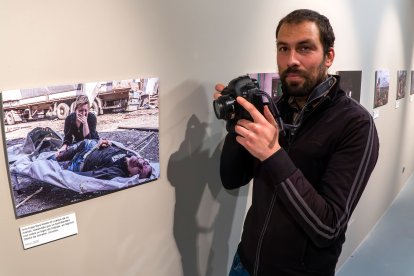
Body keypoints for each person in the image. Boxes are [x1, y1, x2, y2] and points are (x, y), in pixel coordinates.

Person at [214, 9, 379, 276]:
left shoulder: (356, 125)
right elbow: (232, 179)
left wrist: (272, 154)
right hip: (245, 263)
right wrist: (237, 124)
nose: (291, 60)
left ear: (329, 56)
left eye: (305, 48)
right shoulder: (274, 109)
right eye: (283, 48)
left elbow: (328, 228)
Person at [56, 138, 153, 180]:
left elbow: (88, 176)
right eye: (144, 164)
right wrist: (106, 142)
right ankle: (61, 153)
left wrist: (65, 173)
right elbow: (113, 145)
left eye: (139, 172)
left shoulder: (117, 173)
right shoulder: (130, 153)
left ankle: (58, 157)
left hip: (80, 162)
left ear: (132, 176)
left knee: (56, 160)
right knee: (61, 154)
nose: (140, 165)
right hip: (90, 146)